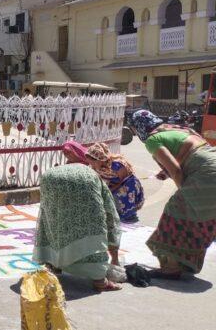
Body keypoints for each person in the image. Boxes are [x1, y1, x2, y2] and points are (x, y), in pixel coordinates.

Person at [132, 109, 216, 278]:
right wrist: (167, 171)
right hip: (211, 163)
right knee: (202, 216)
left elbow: (176, 171)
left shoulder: (152, 139)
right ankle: (185, 261)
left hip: (207, 173)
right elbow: (188, 152)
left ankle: (171, 267)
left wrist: (182, 190)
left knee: (175, 210)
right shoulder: (178, 128)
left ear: (139, 127)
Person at [33, 164, 122, 292]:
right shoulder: (98, 183)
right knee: (94, 228)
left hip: (49, 180)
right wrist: (115, 257)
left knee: (55, 221)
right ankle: (100, 281)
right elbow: (111, 217)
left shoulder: (89, 175)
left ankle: (54, 264)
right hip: (82, 182)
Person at [85, 143, 145, 223]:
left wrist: (110, 189)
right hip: (112, 185)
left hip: (127, 186)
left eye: (92, 162)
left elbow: (124, 181)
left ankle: (129, 216)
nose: (91, 164)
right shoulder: (96, 167)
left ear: (100, 159)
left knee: (120, 194)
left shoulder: (117, 165)